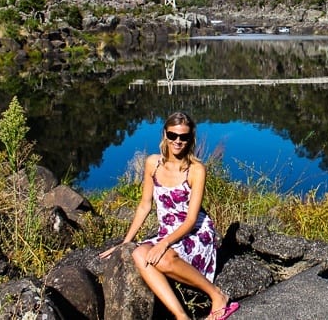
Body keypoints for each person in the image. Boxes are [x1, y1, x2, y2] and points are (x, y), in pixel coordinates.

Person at [99, 112, 239, 320]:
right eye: (173, 135)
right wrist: (124, 243)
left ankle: (217, 295)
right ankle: (181, 316)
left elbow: (191, 220)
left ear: (191, 139)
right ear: (165, 134)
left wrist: (163, 244)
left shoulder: (196, 170)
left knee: (161, 259)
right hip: (167, 231)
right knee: (138, 254)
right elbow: (144, 205)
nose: (178, 141)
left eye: (184, 137)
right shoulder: (152, 163)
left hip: (194, 233)